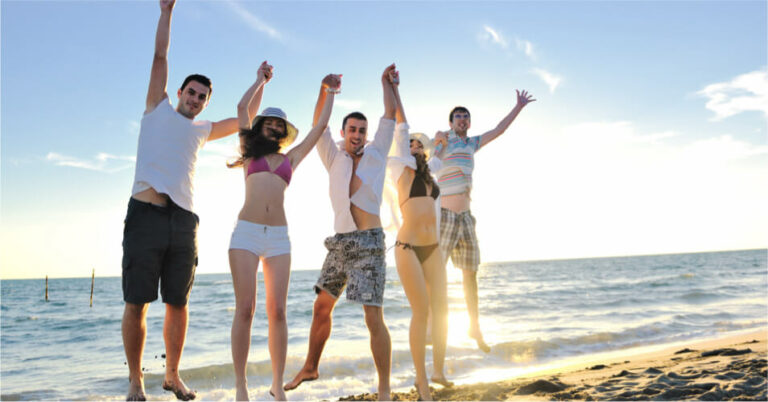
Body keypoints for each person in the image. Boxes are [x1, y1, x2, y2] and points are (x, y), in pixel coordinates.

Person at [121, 0, 249, 400]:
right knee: (138, 302)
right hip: (145, 215)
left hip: (184, 222)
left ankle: (172, 375)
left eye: (201, 97)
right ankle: (136, 380)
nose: (194, 99)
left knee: (178, 302)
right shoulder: (156, 107)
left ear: (206, 103)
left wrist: (260, 81)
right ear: (179, 92)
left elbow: (244, 120)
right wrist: (167, 11)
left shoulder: (203, 129)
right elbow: (160, 56)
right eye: (191, 92)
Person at [283, 64, 398, 401]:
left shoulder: (377, 152)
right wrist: (324, 89)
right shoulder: (333, 156)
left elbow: (390, 114)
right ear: (344, 131)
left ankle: (384, 388)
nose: (357, 134)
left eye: (362, 130)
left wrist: (385, 83)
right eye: (352, 129)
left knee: (372, 317)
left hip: (370, 243)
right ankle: (310, 367)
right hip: (340, 243)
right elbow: (318, 124)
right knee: (322, 306)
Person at [227, 64, 340, 401]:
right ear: (261, 127)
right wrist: (259, 80)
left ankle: (277, 386)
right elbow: (241, 108)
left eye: (279, 125)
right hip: (246, 234)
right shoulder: (248, 152)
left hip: (278, 237)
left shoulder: (292, 157)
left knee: (278, 312)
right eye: (270, 123)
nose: (274, 127)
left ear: (283, 132)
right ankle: (241, 385)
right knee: (245, 309)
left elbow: (320, 127)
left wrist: (330, 92)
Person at [434, 90, 536, 353]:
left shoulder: (472, 144)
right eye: (458, 116)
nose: (462, 119)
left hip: (466, 218)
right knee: (437, 273)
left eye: (466, 116)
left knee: (471, 274)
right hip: (445, 216)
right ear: (451, 122)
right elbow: (421, 153)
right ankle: (434, 325)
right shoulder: (443, 141)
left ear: (469, 122)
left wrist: (518, 107)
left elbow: (499, 130)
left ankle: (474, 326)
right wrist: (437, 141)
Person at [387, 71, 451, 401]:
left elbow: (439, 152)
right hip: (408, 247)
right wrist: (394, 89)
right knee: (422, 310)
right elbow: (402, 125)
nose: (413, 146)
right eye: (410, 143)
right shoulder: (400, 168)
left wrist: (440, 142)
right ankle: (421, 381)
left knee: (442, 310)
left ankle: (438, 371)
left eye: (418, 145)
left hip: (433, 248)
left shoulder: (430, 173)